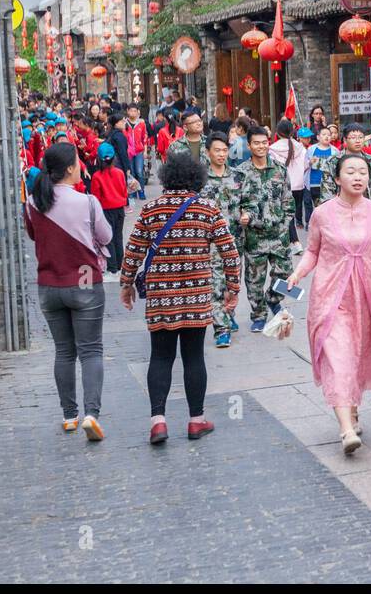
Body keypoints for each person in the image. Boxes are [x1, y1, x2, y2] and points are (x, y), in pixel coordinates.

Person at [286, 153, 371, 455]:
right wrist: (298, 272)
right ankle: (346, 429)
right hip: (331, 296)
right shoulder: (322, 214)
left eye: (363, 172)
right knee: (339, 357)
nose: (358, 177)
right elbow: (312, 250)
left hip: (368, 296)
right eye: (350, 172)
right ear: (337, 178)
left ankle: (352, 409)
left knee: (358, 355)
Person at [121, 153, 241, 445]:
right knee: (193, 357)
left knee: (160, 356)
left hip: (161, 297)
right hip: (196, 295)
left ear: (166, 178)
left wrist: (126, 284)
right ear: (196, 178)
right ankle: (196, 421)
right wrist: (233, 288)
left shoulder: (150, 209)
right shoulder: (208, 209)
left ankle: (158, 422)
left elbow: (133, 252)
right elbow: (229, 252)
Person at [23, 142, 113, 441]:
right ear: (71, 168)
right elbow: (107, 236)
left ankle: (68, 416)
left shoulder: (33, 203)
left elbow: (33, 234)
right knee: (90, 350)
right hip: (85, 281)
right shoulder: (86, 202)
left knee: (64, 352)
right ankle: (91, 415)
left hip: (49, 286)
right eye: (78, 162)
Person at [234, 125, 293, 332]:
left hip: (278, 235)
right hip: (254, 237)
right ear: (249, 145)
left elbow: (288, 202)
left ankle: (274, 299)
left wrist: (285, 229)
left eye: (264, 142)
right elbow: (235, 203)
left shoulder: (279, 169)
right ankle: (258, 315)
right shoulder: (240, 173)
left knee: (286, 274)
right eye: (256, 143)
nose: (261, 146)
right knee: (254, 280)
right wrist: (242, 219)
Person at [203, 132, 242, 348]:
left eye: (224, 150)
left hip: (235, 241)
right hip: (211, 245)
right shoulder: (200, 178)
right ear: (208, 152)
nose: (221, 154)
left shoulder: (237, 177)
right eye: (217, 150)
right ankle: (221, 329)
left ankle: (229, 313)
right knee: (215, 286)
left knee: (232, 284)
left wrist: (248, 215)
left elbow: (248, 203)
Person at [316, 122, 371, 206]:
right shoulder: (333, 161)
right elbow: (327, 190)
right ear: (345, 140)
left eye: (361, 137)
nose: (358, 141)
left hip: (367, 209)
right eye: (353, 137)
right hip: (340, 210)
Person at [91, 142, 130, 279]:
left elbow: (95, 197)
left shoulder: (97, 176)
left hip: (106, 210)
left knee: (109, 239)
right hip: (119, 209)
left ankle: (112, 267)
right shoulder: (119, 173)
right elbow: (124, 192)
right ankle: (120, 265)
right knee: (118, 236)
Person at [268, 119, 309, 249]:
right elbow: (306, 165)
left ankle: (295, 242)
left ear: (278, 133)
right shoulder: (300, 147)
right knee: (291, 213)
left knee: (287, 214)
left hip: (283, 185)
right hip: (298, 185)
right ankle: (293, 241)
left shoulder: (273, 149)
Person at [123, 103, 150, 201]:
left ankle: (141, 191)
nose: (133, 113)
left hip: (139, 151)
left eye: (135, 111)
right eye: (131, 111)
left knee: (139, 172)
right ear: (127, 111)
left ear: (138, 112)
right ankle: (133, 192)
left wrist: (145, 151)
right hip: (128, 152)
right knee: (132, 172)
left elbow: (145, 137)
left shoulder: (141, 123)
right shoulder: (124, 123)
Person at [306, 126, 334, 208]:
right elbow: (304, 165)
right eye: (324, 134)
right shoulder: (311, 149)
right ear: (318, 137)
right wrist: (309, 162)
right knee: (317, 207)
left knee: (328, 207)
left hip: (329, 184)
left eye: (329, 135)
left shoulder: (335, 151)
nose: (327, 136)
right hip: (314, 183)